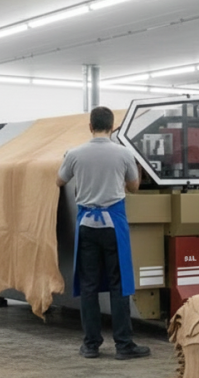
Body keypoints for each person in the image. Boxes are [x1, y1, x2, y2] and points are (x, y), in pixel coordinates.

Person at [57, 107, 150, 359]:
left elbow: (59, 180)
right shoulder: (124, 153)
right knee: (119, 285)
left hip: (86, 224)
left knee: (88, 286)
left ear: (90, 126)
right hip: (113, 225)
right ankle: (123, 345)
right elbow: (134, 187)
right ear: (112, 127)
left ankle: (90, 345)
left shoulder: (74, 154)